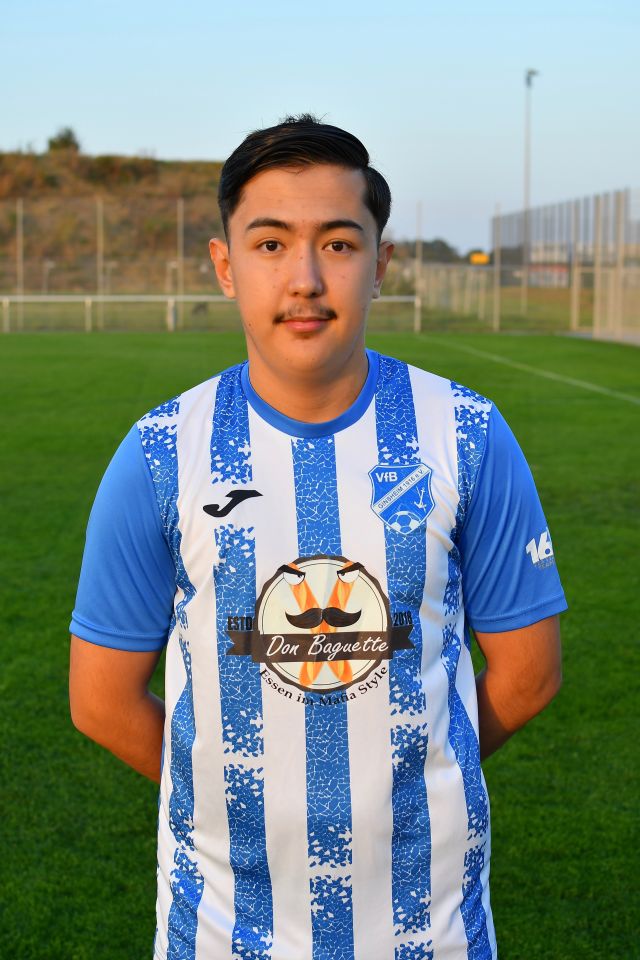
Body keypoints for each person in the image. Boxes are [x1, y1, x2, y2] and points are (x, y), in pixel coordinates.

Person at [69, 114, 566, 960]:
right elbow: (100, 701)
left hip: (429, 931)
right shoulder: (161, 452)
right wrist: (238, 793)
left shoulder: (467, 435)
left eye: (338, 244)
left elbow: (530, 674)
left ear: (381, 264)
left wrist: (408, 774)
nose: (304, 278)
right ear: (226, 266)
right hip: (220, 934)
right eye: (270, 245)